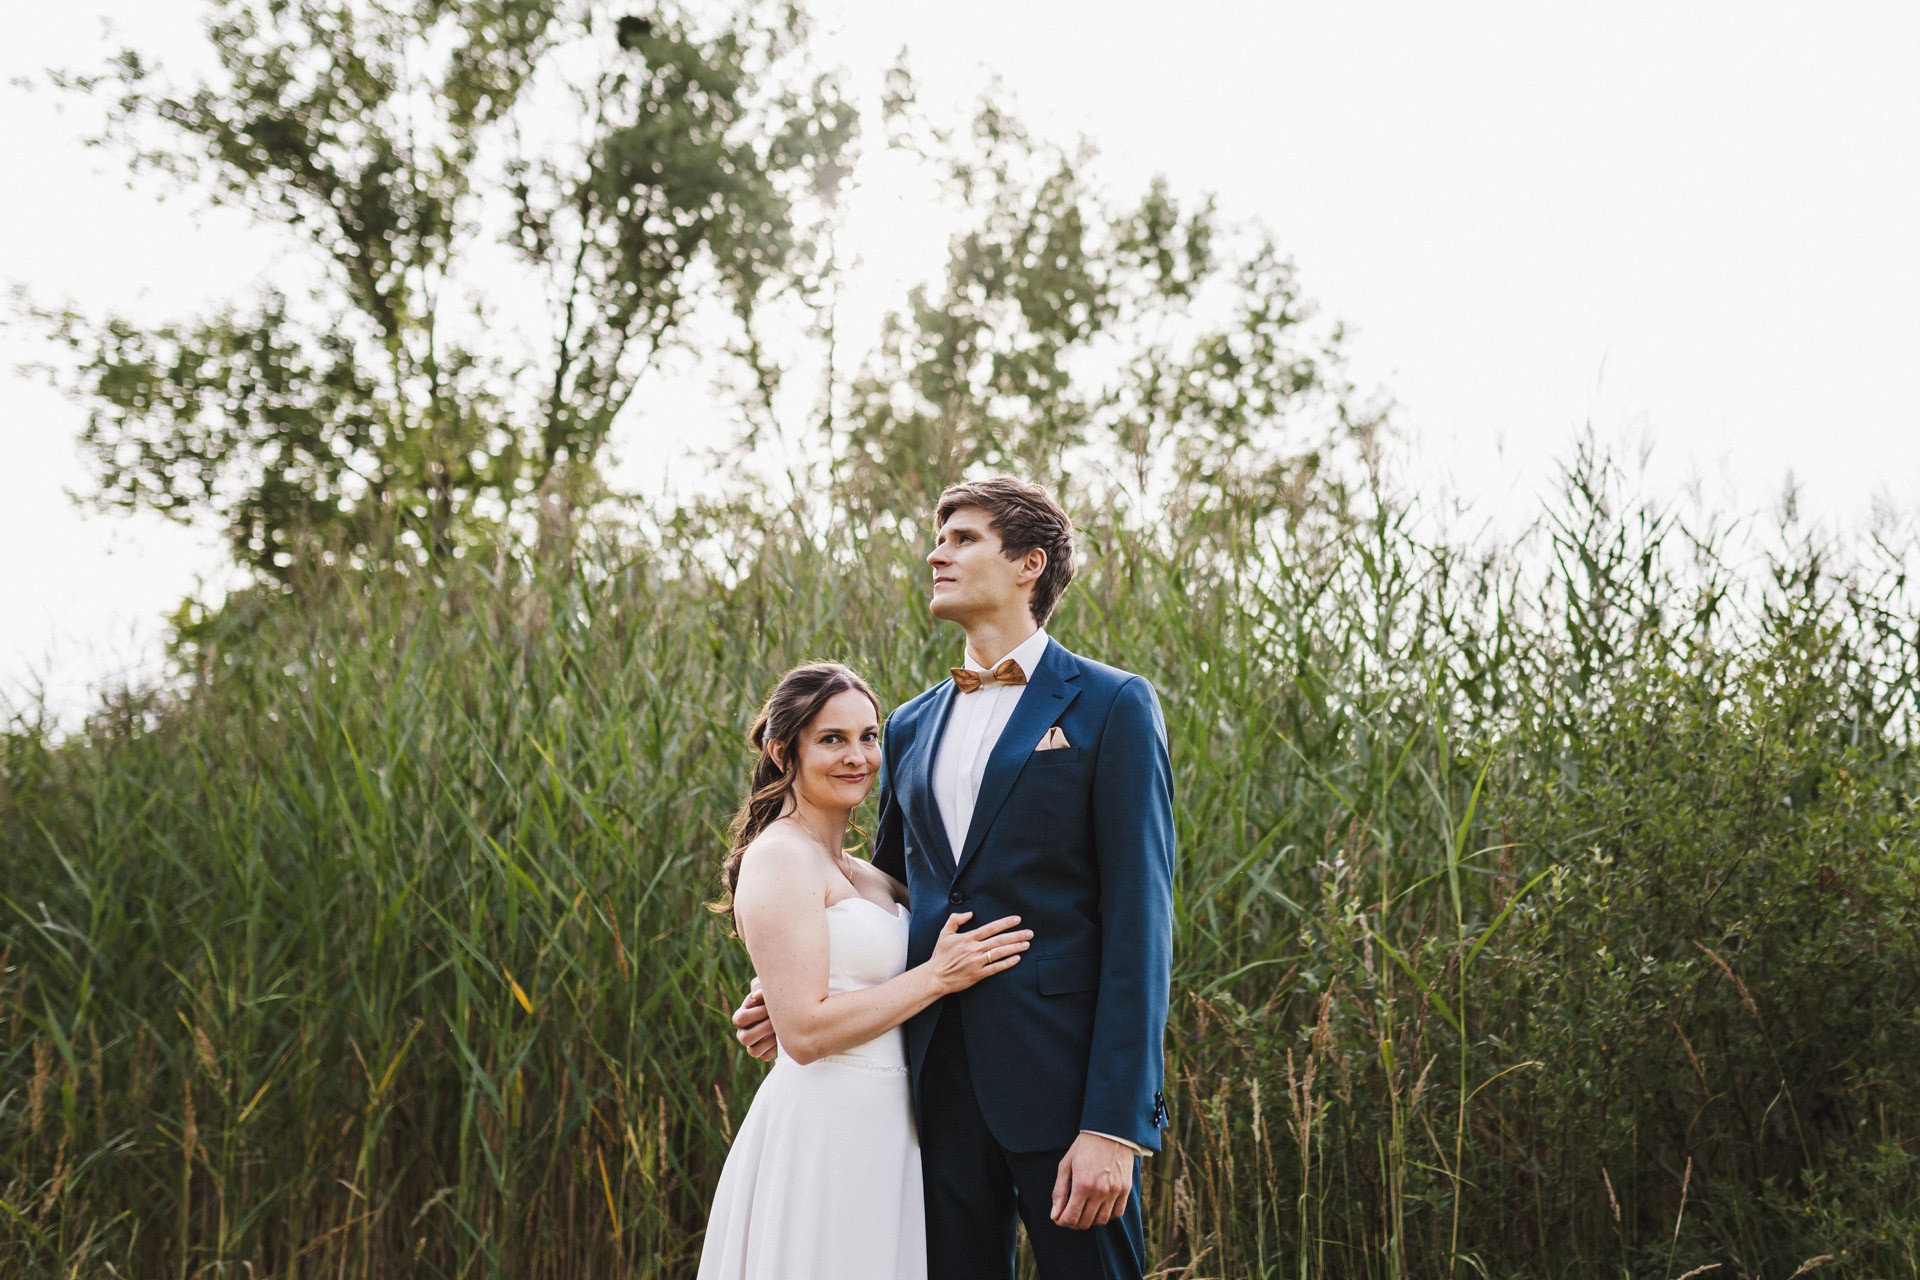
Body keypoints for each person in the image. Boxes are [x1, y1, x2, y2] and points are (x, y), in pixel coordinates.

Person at [732, 478, 1177, 1280]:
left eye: (963, 538)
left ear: (1028, 564)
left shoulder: (1113, 705)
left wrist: (1116, 1123)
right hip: (927, 1098)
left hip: (1064, 1093)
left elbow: (1142, 923)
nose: (937, 553)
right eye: (938, 537)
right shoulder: (906, 725)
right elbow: (896, 897)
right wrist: (802, 987)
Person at [697, 661, 1033, 1280]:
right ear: (781, 752)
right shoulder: (778, 857)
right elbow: (804, 1034)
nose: (858, 756)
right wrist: (936, 975)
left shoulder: (865, 872)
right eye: (832, 739)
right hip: (828, 1127)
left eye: (869, 736)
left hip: (890, 1123)